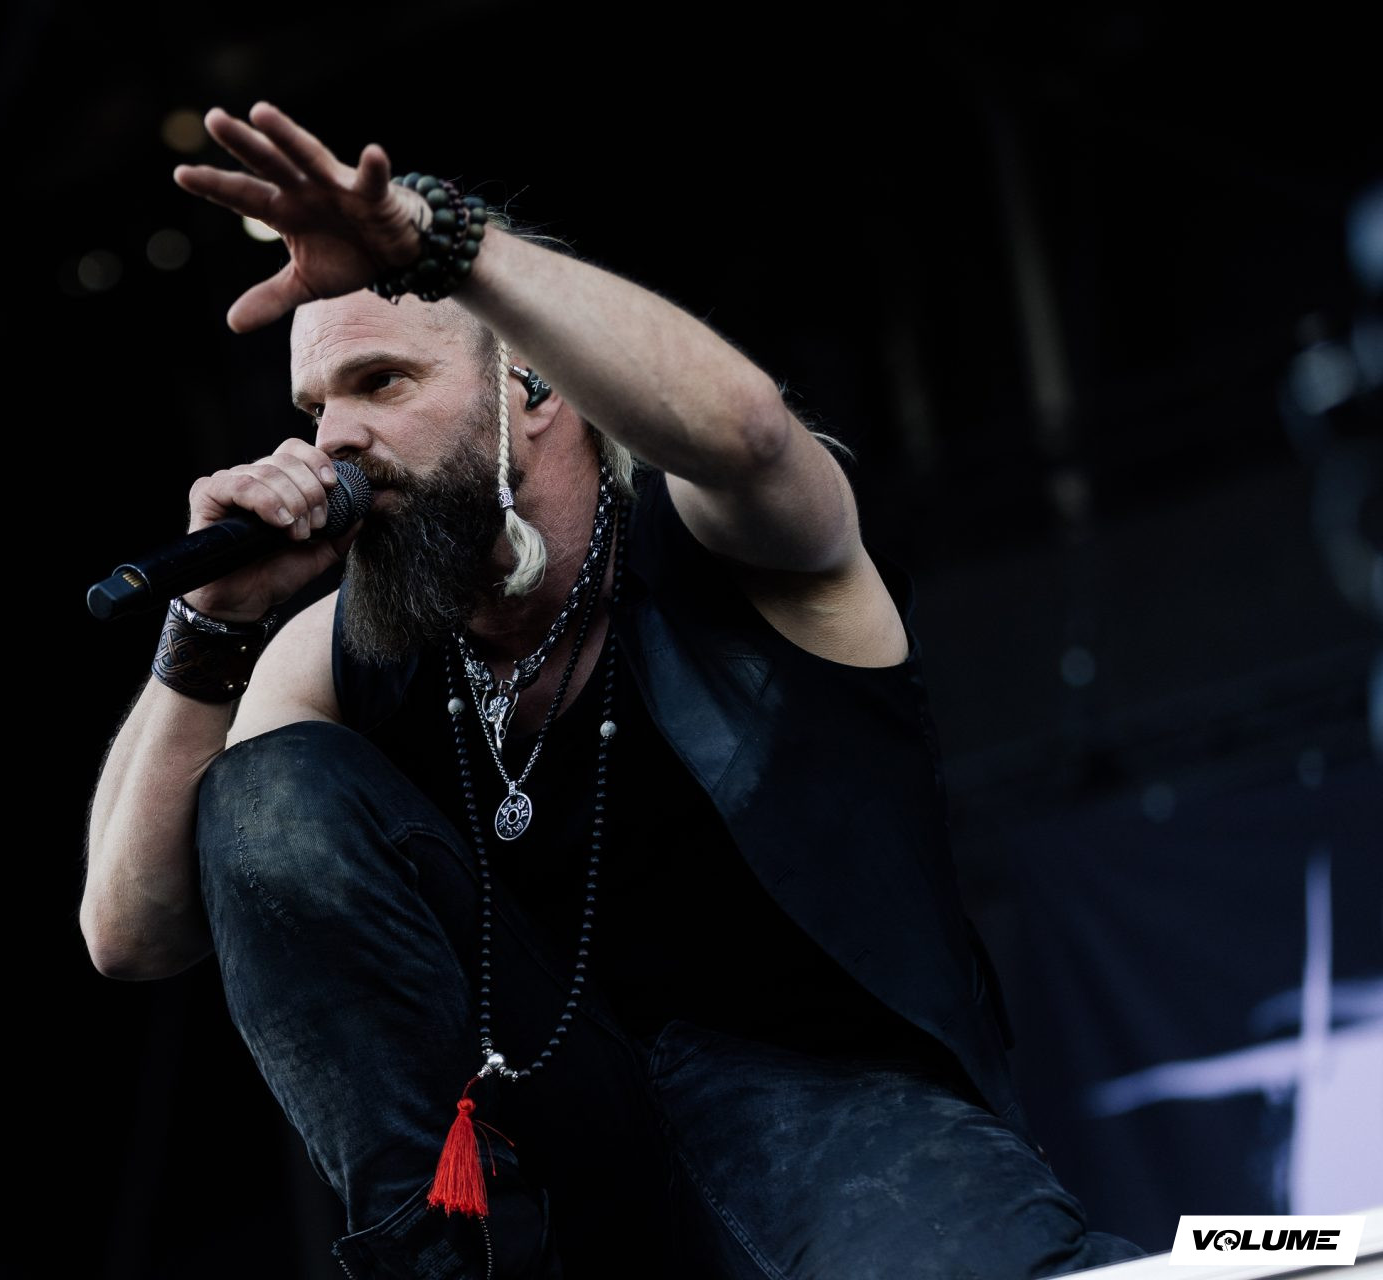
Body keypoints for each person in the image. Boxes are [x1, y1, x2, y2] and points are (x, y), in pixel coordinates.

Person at [81, 102, 1147, 1279]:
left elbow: (747, 431)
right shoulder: (336, 652)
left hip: (840, 1125)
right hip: (556, 1158)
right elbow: (129, 932)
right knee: (265, 788)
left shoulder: (723, 543)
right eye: (316, 407)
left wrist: (440, 243)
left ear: (533, 387)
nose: (334, 439)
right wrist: (212, 623)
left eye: (381, 381)